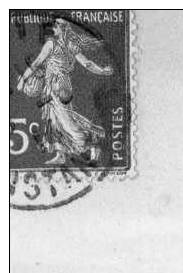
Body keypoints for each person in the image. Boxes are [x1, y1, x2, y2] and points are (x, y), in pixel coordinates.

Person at [15, 18, 113, 165]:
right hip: (61, 85)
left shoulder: (51, 44)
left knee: (66, 121)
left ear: (60, 28)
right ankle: (61, 154)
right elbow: (87, 63)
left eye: (55, 26)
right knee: (53, 120)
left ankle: (92, 143)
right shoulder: (71, 45)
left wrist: (23, 79)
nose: (53, 29)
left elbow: (36, 63)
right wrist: (102, 71)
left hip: (55, 86)